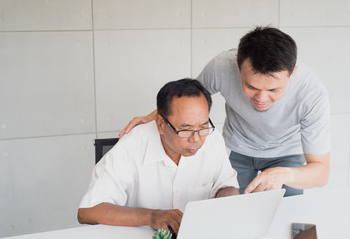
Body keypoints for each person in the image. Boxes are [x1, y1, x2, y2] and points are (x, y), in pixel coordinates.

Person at [119, 26, 330, 197]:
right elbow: (187, 100)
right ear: (238, 65)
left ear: (292, 73)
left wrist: (285, 174)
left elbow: (320, 172)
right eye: (252, 87)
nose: (261, 99)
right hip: (236, 148)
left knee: (284, 217)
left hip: (285, 155)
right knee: (231, 214)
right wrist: (153, 117)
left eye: (274, 90)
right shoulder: (222, 66)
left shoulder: (311, 94)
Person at [78, 79, 239, 235]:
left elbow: (226, 185)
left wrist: (224, 202)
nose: (196, 139)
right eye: (186, 129)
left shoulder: (212, 138)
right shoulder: (132, 145)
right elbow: (88, 211)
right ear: (161, 124)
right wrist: (152, 216)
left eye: (203, 127)